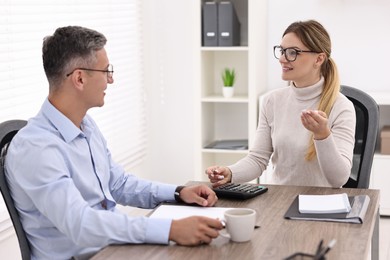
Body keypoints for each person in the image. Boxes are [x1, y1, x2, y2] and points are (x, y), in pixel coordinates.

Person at [5, 26, 223, 260]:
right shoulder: (35, 148)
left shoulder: (85, 125)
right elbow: (81, 224)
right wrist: (170, 229)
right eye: (106, 71)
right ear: (79, 78)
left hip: (113, 250)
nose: (111, 79)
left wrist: (179, 193)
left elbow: (117, 183)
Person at [206, 20, 356, 188]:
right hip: (279, 201)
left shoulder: (342, 107)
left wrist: (322, 135)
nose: (283, 59)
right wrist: (230, 172)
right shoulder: (272, 101)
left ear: (319, 59)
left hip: (322, 205)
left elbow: (339, 179)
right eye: (282, 51)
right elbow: (257, 159)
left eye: (293, 52)